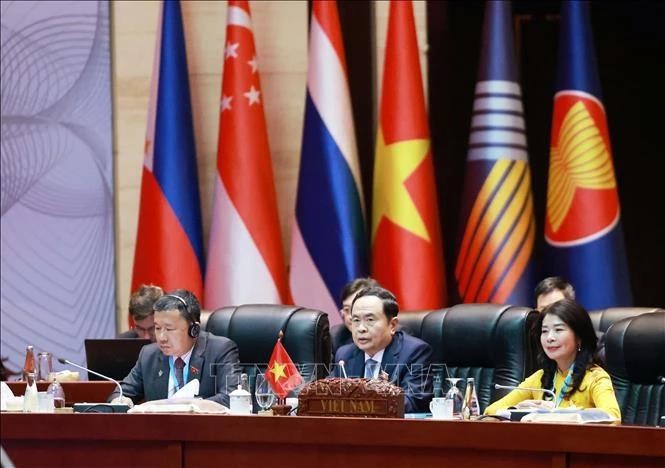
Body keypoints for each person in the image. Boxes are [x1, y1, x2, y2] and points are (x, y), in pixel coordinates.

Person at [484, 299, 621, 421]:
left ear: (579, 337)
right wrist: (517, 409)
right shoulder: (540, 378)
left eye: (558, 329)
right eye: (544, 331)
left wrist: (558, 414)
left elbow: (613, 417)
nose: (549, 337)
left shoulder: (595, 378)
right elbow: (489, 411)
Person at [109, 289, 241, 407]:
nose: (161, 337)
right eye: (157, 328)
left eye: (169, 329)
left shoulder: (220, 350)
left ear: (194, 329)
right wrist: (120, 400)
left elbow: (231, 398)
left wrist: (182, 405)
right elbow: (119, 393)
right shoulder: (149, 355)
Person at [331, 286, 433, 413]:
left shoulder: (415, 352)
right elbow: (331, 396)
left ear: (392, 325)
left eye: (370, 320)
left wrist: (363, 405)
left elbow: (414, 401)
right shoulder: (344, 355)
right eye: (356, 320)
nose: (361, 328)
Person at [330, 278, 379, 355]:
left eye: (357, 308)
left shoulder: (395, 337)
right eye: (347, 310)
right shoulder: (337, 337)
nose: (351, 316)